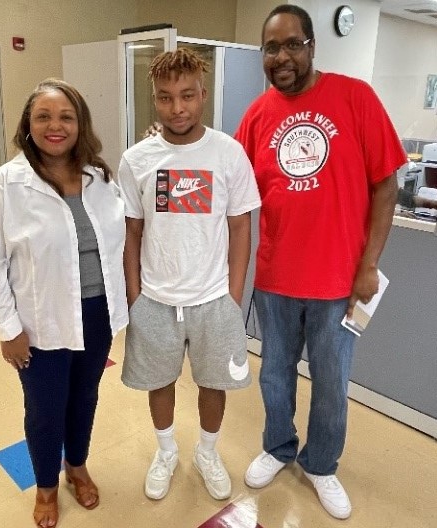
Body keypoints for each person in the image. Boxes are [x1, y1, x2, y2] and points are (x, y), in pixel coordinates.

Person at [234, 5, 406, 520]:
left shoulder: (356, 98)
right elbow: (231, 185)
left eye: (292, 44)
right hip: (276, 278)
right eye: (271, 47)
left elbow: (387, 186)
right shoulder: (258, 115)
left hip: (339, 282)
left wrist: (369, 264)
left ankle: (322, 464)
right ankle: (278, 446)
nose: (281, 56)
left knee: (331, 383)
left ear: (312, 46)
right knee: (275, 377)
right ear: (262, 55)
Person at [0, 78, 128, 528]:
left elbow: (118, 245)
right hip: (39, 323)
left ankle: (76, 465)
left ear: (80, 125)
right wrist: (7, 328)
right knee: (44, 408)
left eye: (66, 117)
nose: (55, 126)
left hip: (96, 316)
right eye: (44, 116)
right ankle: (46, 486)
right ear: (28, 124)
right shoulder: (6, 185)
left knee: (86, 397)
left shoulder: (100, 179)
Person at [118, 48, 261, 502]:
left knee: (213, 383)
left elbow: (241, 227)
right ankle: (165, 452)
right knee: (158, 381)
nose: (177, 108)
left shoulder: (228, 153)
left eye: (186, 96)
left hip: (213, 297)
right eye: (165, 98)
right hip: (156, 298)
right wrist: (136, 296)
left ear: (203, 94)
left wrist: (234, 296)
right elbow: (133, 232)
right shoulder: (136, 159)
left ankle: (207, 451)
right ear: (154, 100)